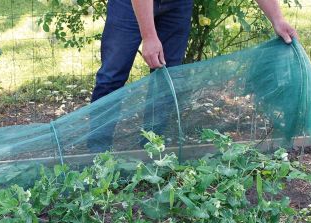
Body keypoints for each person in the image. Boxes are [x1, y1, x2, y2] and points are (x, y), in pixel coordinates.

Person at [88, 0, 298, 151]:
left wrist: (277, 19)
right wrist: (149, 36)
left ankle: (150, 150)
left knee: (167, 77)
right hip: (129, 4)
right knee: (113, 74)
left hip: (177, 5)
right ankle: (95, 153)